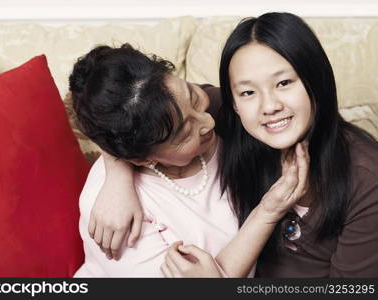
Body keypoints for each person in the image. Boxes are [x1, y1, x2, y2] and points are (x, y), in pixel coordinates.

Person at [92, 12, 378, 278]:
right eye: (248, 91)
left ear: (316, 78)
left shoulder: (366, 180)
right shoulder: (218, 116)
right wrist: (117, 177)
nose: (269, 106)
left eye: (284, 83)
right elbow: (124, 112)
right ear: (234, 101)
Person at [68, 43, 309, 277]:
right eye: (184, 133)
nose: (208, 122)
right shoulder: (116, 217)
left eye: (193, 97)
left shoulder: (219, 122)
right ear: (142, 158)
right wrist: (268, 212)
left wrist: (117, 168)